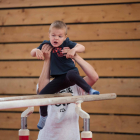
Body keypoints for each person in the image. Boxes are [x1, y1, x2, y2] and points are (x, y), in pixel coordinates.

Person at [30, 20, 100, 129]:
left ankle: (89, 90)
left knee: (71, 73)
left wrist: (74, 52)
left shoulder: (67, 44)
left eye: (59, 36)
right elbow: (32, 52)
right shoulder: (46, 45)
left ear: (65, 37)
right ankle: (43, 116)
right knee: (41, 95)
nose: (56, 38)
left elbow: (82, 47)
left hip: (70, 76)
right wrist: (37, 51)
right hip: (59, 79)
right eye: (53, 35)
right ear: (49, 35)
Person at [37, 46, 99, 140]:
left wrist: (76, 55)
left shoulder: (78, 85)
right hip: (47, 136)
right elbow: (42, 92)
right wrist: (47, 60)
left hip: (71, 136)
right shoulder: (48, 84)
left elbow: (94, 77)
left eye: (68, 61)